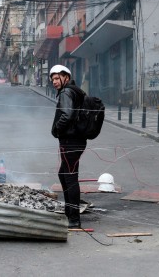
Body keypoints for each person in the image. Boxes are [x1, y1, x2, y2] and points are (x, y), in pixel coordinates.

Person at [50, 64, 87, 228]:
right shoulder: (76, 91)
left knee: (70, 177)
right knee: (64, 174)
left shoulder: (66, 92)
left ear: (66, 77)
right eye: (52, 79)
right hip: (77, 139)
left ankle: (73, 218)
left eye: (57, 78)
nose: (54, 82)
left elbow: (67, 114)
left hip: (70, 140)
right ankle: (69, 211)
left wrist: (58, 129)